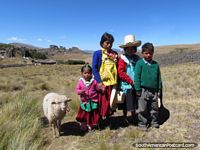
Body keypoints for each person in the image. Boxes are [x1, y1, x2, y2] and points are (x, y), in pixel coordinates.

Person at [134, 42, 162, 130]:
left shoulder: (155, 65)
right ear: (142, 53)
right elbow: (137, 77)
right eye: (146, 53)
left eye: (150, 53)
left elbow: (159, 78)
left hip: (154, 91)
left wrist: (159, 89)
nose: (148, 55)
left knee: (154, 107)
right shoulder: (139, 64)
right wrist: (137, 89)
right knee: (142, 108)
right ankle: (142, 123)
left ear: (153, 53)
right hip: (143, 90)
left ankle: (154, 122)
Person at [92, 32, 118, 126]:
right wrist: (99, 82)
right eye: (107, 42)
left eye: (111, 43)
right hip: (101, 83)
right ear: (102, 42)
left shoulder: (114, 54)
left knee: (109, 103)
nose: (109, 45)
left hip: (111, 83)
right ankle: (97, 121)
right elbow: (94, 69)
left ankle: (107, 119)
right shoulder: (97, 54)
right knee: (100, 103)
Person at [117, 35, 141, 125]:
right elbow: (121, 72)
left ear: (135, 49)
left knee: (134, 102)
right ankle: (125, 118)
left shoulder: (137, 59)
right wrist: (131, 81)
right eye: (128, 48)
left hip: (136, 84)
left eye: (132, 48)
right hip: (126, 85)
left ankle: (134, 117)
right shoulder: (122, 59)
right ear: (125, 49)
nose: (130, 50)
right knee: (125, 103)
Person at [75, 63, 100, 132]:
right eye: (85, 73)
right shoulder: (80, 82)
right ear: (82, 74)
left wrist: (101, 88)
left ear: (91, 73)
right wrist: (81, 91)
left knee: (92, 115)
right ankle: (84, 125)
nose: (87, 75)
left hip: (93, 102)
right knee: (85, 115)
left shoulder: (94, 81)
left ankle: (91, 125)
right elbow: (77, 91)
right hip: (85, 102)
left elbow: (97, 88)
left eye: (89, 73)